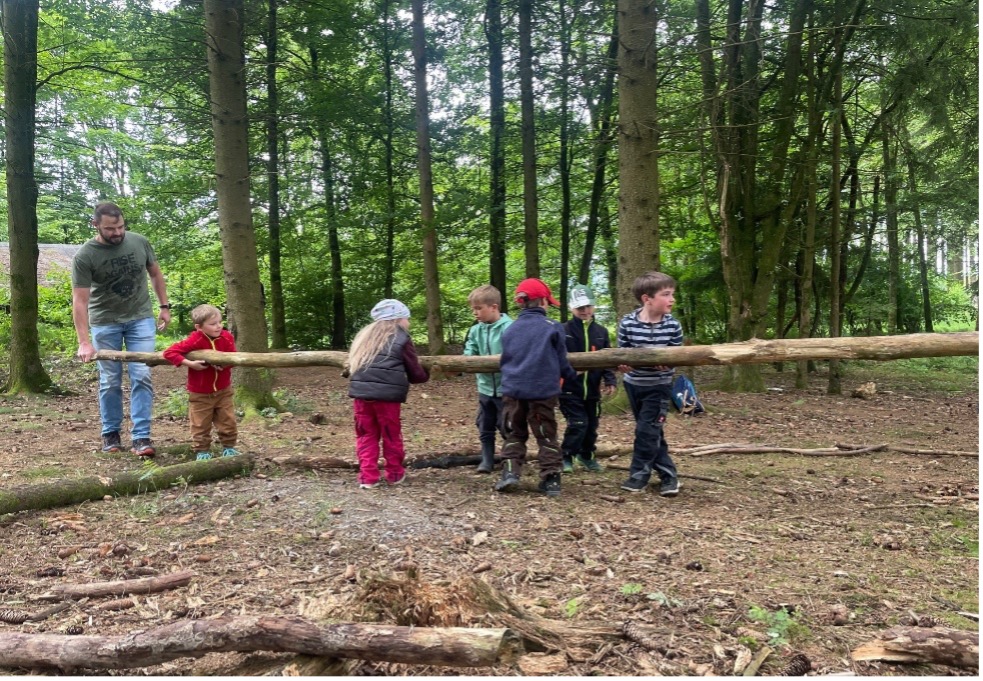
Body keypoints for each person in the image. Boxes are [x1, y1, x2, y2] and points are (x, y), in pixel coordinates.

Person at [71, 202, 171, 457]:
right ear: (95, 225)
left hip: (140, 319)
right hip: (105, 322)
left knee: (142, 375)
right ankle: (111, 433)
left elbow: (156, 275)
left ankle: (141, 437)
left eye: (120, 226)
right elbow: (80, 301)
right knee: (110, 380)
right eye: (110, 228)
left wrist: (164, 305)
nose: (117, 232)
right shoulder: (85, 255)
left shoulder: (139, 242)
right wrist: (84, 341)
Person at [495, 278, 578, 497]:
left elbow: (506, 361)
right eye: (548, 301)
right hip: (542, 392)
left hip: (513, 391)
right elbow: (561, 361)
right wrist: (572, 377)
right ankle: (551, 479)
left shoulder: (510, 329)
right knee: (545, 434)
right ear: (542, 301)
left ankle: (510, 473)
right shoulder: (552, 327)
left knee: (514, 432)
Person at [346, 299, 429, 489]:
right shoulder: (401, 337)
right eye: (407, 318)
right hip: (387, 398)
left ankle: (368, 477)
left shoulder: (364, 337)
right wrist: (427, 374)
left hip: (361, 395)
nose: (408, 322)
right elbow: (415, 373)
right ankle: (394, 473)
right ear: (398, 319)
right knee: (391, 434)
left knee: (366, 434)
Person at [617, 271, 683, 497]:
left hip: (660, 386)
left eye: (672, 294)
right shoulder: (627, 322)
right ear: (647, 299)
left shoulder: (673, 325)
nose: (672, 299)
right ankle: (669, 475)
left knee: (646, 431)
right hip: (634, 385)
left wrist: (668, 365)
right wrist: (623, 365)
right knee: (652, 432)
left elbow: (677, 355)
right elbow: (622, 353)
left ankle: (639, 476)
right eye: (666, 294)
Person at [163, 304, 240, 461]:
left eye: (220, 322)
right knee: (200, 424)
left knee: (228, 420)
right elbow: (169, 352)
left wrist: (224, 364)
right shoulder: (195, 339)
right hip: (200, 393)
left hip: (223, 390)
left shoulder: (227, 337)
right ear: (199, 327)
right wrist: (190, 364)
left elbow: (233, 357)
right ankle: (202, 450)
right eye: (213, 324)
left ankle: (229, 447)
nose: (218, 326)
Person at [560, 285, 617, 473]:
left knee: (591, 425)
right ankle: (566, 456)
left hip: (592, 389)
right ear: (571, 308)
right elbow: (557, 358)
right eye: (580, 308)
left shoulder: (601, 331)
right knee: (578, 423)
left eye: (588, 307)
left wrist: (610, 379)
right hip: (569, 388)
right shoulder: (563, 331)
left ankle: (586, 456)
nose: (585, 311)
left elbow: (607, 358)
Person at [463, 285, 513, 473]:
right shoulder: (476, 330)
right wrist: (467, 361)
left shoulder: (510, 328)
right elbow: (470, 351)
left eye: (478, 308)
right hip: (484, 387)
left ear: (493, 307)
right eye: (473, 309)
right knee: (485, 425)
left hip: (506, 388)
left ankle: (511, 460)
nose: (475, 313)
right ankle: (487, 459)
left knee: (506, 425)